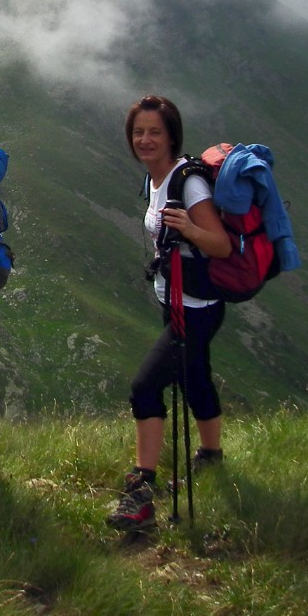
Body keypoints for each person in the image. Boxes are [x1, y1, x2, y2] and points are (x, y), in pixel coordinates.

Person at [108, 94, 232, 531]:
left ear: (172, 135)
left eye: (154, 132)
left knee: (144, 388)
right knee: (193, 376)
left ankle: (141, 490)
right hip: (175, 300)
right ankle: (212, 457)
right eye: (138, 132)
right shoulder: (156, 180)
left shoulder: (188, 183)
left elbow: (221, 245)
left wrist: (190, 229)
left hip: (195, 307)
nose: (145, 139)